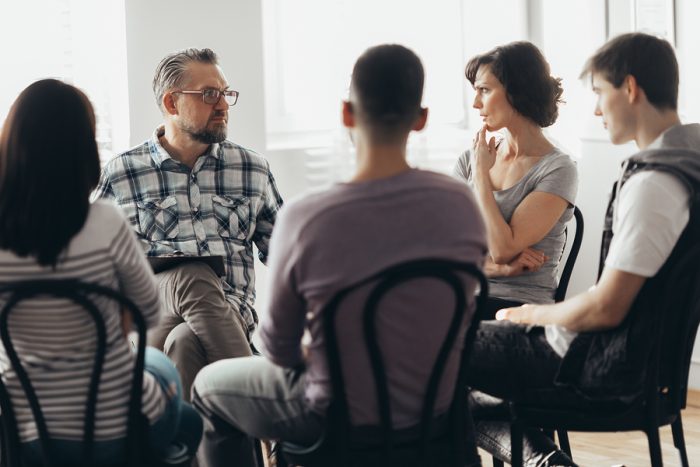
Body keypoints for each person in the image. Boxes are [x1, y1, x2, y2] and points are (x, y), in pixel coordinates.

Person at [191, 44, 488, 467]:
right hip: (435, 417)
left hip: (334, 421)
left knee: (206, 387)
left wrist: (320, 348)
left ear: (347, 114)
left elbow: (278, 349)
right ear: (420, 119)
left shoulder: (308, 218)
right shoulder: (462, 204)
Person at [467, 33, 700, 466]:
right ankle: (542, 460)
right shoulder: (688, 166)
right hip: (626, 360)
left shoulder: (654, 184)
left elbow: (606, 309)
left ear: (629, 89)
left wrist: (529, 315)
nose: (596, 110)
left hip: (593, 363)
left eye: (599, 93)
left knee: (432, 351)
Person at [0, 79, 202, 464]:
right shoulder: (106, 222)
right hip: (116, 428)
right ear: (83, 149)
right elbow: (147, 313)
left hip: (26, 433)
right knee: (180, 406)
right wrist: (98, 322)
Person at [93, 48, 283, 399]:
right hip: (151, 319)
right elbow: (95, 267)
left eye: (226, 93)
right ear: (171, 103)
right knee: (193, 277)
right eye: (210, 94)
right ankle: (262, 407)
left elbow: (284, 255)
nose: (223, 104)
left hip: (231, 317)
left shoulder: (252, 169)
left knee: (185, 341)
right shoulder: (122, 173)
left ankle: (192, 453)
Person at [454, 41, 578, 319]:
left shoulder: (558, 169)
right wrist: (502, 269)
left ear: (516, 91)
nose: (475, 104)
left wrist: (481, 178)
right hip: (462, 298)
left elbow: (501, 248)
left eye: (484, 90)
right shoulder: (471, 158)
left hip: (518, 309)